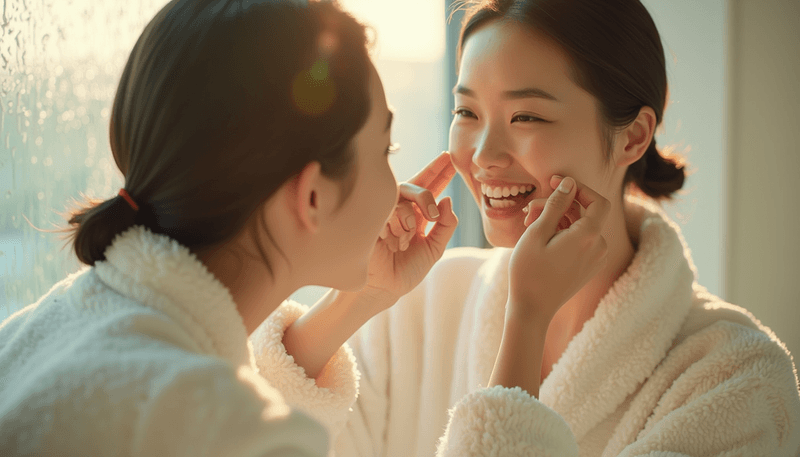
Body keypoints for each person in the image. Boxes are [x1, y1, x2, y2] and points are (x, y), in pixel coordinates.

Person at [274, 0, 800, 455]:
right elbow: (258, 441)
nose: (482, 156)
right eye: (467, 111)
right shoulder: (421, 303)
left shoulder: (738, 377)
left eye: (526, 117)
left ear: (633, 137)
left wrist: (526, 319)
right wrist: (359, 298)